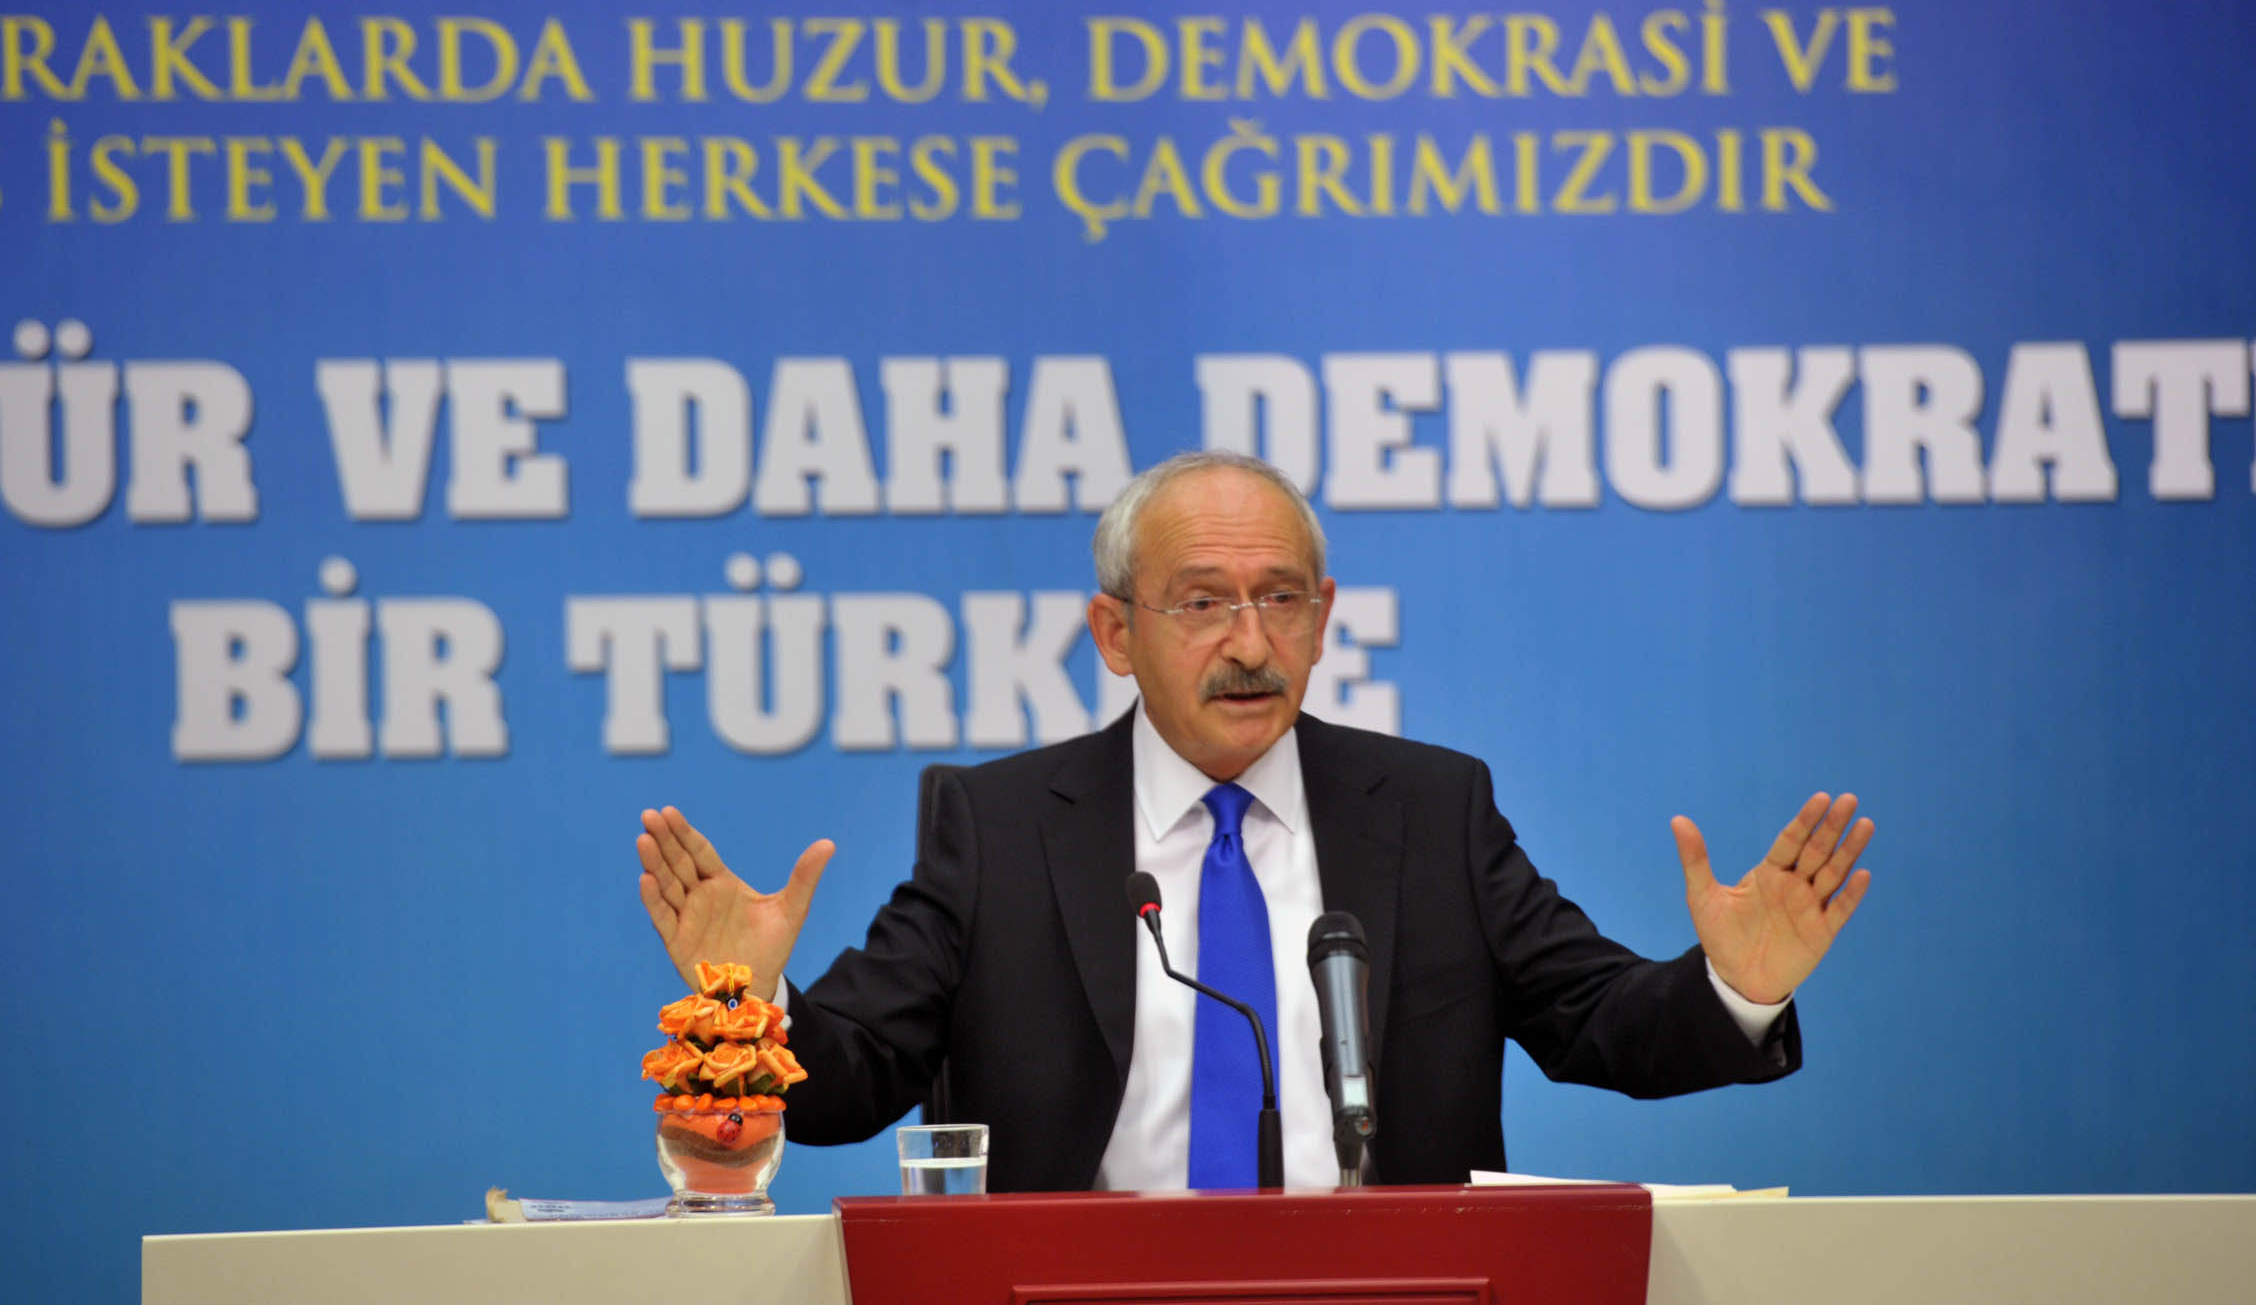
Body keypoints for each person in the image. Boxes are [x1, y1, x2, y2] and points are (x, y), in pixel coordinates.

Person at [636, 450, 1874, 1191]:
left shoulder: (1431, 809)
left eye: (1281, 599)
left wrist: (1733, 986)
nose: (1250, 642)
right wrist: (754, 999)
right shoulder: (1001, 828)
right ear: (1115, 633)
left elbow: (1601, 1023)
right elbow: (849, 1082)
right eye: (1202, 602)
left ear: (1323, 620)